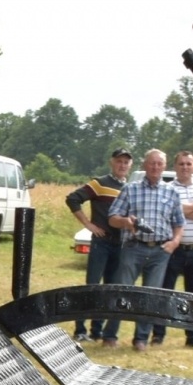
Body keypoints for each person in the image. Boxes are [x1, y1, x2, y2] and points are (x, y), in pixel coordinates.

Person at [105, 148, 185, 351]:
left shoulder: (172, 192)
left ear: (164, 166)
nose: (155, 167)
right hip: (133, 247)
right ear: (144, 165)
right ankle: (110, 335)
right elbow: (112, 218)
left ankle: (141, 339)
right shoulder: (130, 189)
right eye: (151, 163)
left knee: (151, 296)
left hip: (160, 251)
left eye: (159, 164)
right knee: (122, 291)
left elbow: (179, 223)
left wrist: (175, 242)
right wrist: (125, 222)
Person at [66, 147, 133, 344]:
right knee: (92, 286)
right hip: (101, 242)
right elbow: (73, 199)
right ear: (112, 162)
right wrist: (88, 225)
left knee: (110, 289)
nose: (122, 165)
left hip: (120, 244)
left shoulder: (129, 188)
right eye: (119, 161)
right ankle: (80, 329)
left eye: (126, 162)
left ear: (130, 165)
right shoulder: (99, 183)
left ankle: (97, 331)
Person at [151, 151, 193, 348]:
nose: (185, 167)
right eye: (181, 164)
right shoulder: (167, 188)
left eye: (189, 164)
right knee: (165, 293)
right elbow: (167, 213)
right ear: (175, 167)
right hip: (173, 248)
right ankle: (158, 334)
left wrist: (182, 211)